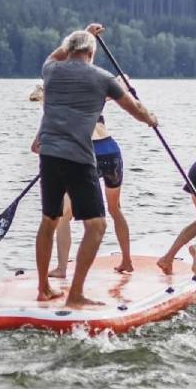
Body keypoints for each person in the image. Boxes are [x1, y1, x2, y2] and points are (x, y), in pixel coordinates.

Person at [31, 23, 158, 308]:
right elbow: (134, 108)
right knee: (97, 226)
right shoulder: (102, 78)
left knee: (49, 220)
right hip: (79, 158)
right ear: (91, 53)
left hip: (49, 156)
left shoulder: (50, 70)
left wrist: (84, 34)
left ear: (68, 50)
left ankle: (43, 289)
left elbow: (56, 54)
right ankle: (75, 294)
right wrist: (151, 119)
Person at [48, 114, 133, 278]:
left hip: (88, 152)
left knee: (65, 214)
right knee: (115, 208)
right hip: (111, 150)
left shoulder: (58, 106)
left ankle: (61, 268)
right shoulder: (93, 100)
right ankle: (127, 261)